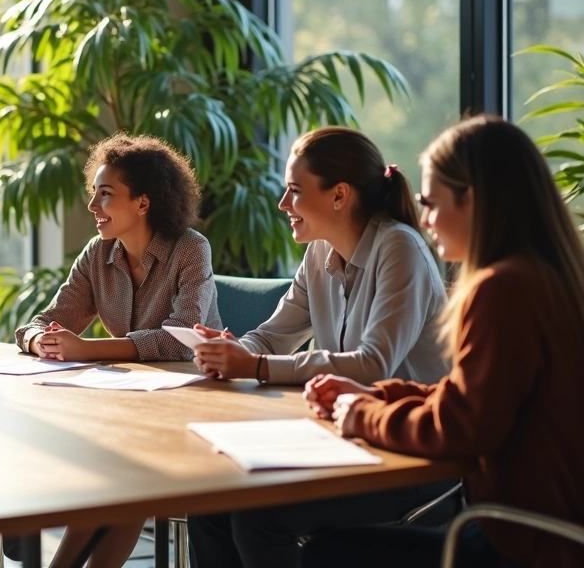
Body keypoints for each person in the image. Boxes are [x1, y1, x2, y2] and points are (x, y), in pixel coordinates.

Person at [301, 116, 584, 568]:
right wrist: (377, 393)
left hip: (528, 546)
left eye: (432, 203)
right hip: (563, 537)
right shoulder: (551, 278)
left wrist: (365, 416)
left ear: (472, 199)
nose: (427, 220)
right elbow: (472, 398)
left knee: (327, 555)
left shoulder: (503, 288)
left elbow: (461, 429)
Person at [185, 127, 453, 568]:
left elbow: (372, 365)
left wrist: (255, 365)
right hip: (347, 439)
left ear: (339, 195)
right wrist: (231, 349)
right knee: (210, 504)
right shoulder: (319, 252)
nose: (282, 205)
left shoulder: (400, 248)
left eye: (293, 191)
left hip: (413, 457)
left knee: (259, 518)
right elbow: (273, 335)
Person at [15, 133, 221, 568]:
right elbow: (41, 320)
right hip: (129, 414)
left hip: (195, 412)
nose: (92, 207)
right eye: (94, 193)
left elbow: (179, 338)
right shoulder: (99, 253)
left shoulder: (191, 250)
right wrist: (41, 339)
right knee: (122, 474)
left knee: (126, 476)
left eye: (105, 196)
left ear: (143, 203)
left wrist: (85, 349)